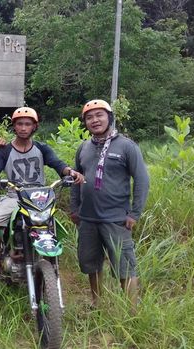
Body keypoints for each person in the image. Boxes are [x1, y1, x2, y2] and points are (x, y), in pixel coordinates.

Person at [0, 107, 85, 278]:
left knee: (52, 225)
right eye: (19, 124)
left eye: (28, 124)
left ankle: (48, 261)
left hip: (39, 197)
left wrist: (70, 172)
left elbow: (58, 164)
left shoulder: (42, 148)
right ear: (14, 126)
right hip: (15, 196)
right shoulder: (5, 150)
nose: (23, 128)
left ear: (34, 127)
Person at [70, 99, 149, 307]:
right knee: (91, 264)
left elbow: (142, 180)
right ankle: (97, 303)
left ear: (109, 117)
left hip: (116, 219)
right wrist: (74, 209)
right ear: (85, 122)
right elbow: (75, 179)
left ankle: (131, 310)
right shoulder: (84, 148)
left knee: (125, 266)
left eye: (99, 115)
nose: (94, 120)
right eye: (89, 117)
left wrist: (134, 214)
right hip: (87, 219)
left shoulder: (126, 146)